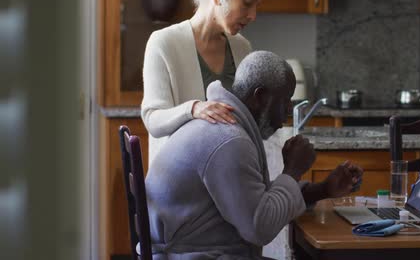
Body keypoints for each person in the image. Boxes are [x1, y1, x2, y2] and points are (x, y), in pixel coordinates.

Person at [145, 51, 364, 259]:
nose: (289, 110)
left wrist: (323, 189)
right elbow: (260, 228)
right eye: (285, 100)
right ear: (260, 97)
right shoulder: (229, 140)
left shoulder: (225, 129)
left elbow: (256, 200)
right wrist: (292, 170)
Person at [141, 0, 265, 163]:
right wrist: (195, 109)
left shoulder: (242, 47)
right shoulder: (164, 42)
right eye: (247, 4)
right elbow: (153, 119)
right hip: (179, 179)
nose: (253, 15)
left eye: (256, 6)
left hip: (231, 173)